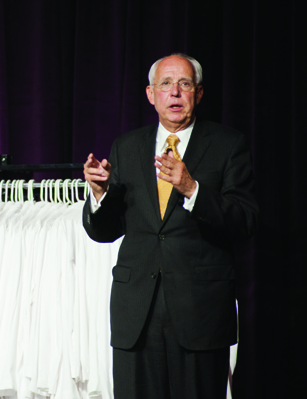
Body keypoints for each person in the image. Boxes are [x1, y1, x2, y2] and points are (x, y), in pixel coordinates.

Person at [82, 53, 258, 398]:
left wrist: (192, 189)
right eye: (165, 84)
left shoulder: (227, 145)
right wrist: (99, 194)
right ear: (151, 94)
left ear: (199, 93)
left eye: (184, 84)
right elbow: (105, 231)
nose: (175, 93)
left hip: (200, 313)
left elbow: (245, 221)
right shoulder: (127, 147)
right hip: (137, 314)